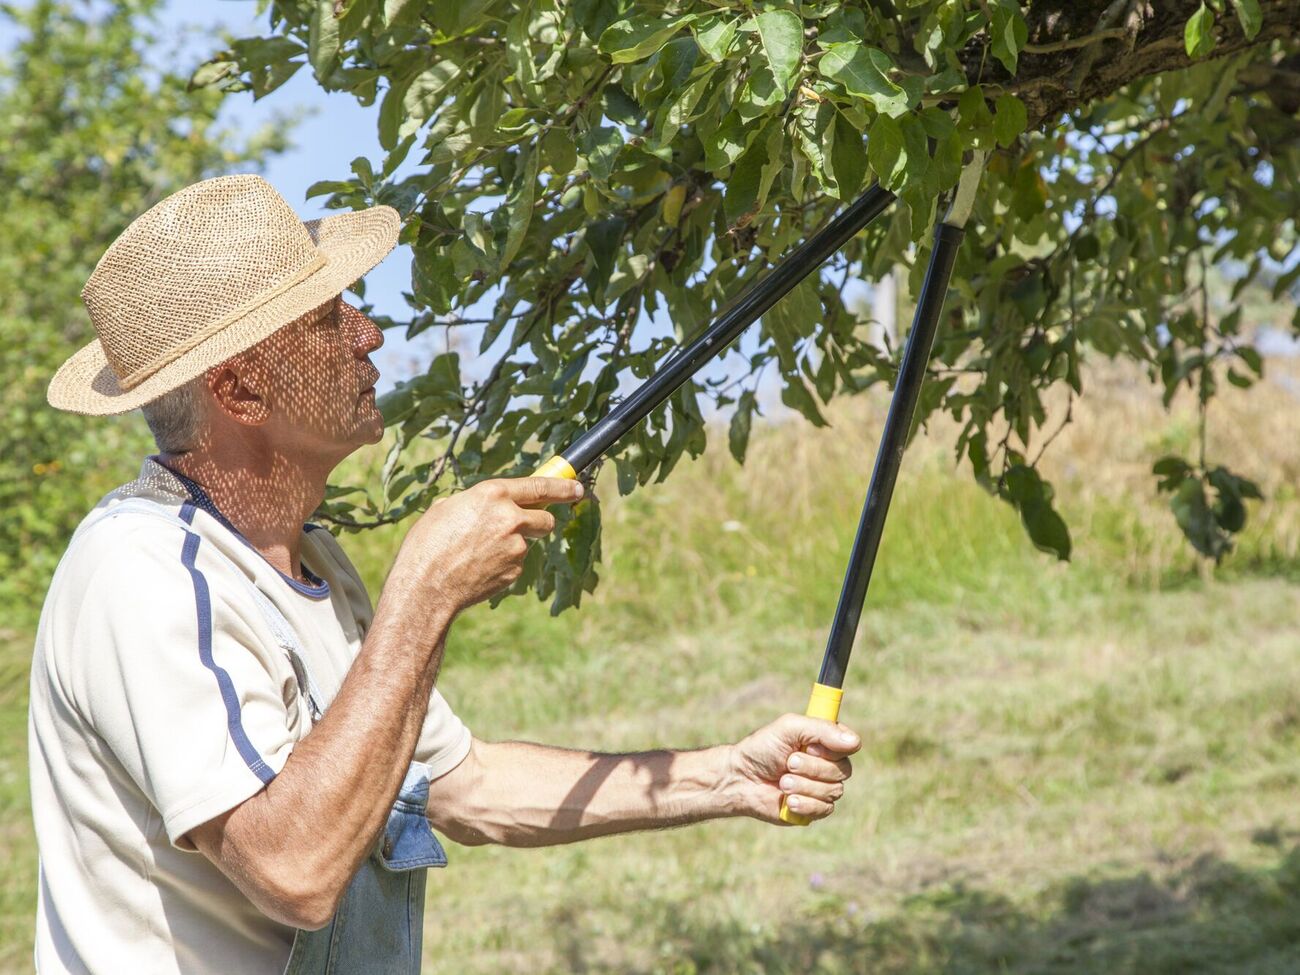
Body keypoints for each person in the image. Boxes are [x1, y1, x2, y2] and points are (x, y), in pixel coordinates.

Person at [29, 174, 862, 974]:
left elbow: (463, 785)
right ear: (242, 391)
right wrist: (422, 596)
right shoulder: (143, 572)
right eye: (327, 318)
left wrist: (730, 774)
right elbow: (292, 868)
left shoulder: (307, 558)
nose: (368, 333)